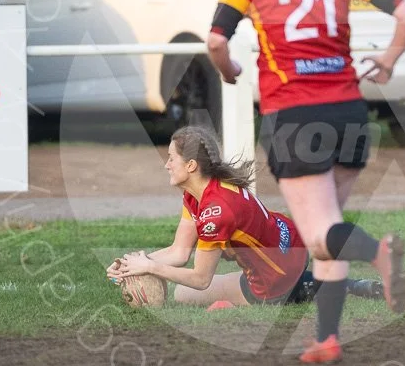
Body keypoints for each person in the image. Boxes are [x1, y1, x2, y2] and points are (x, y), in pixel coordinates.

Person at [204, 0, 405, 364]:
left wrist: (230, 71)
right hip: (347, 109)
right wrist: (387, 60)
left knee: (321, 231)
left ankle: (379, 253)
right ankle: (327, 337)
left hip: (294, 113)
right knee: (328, 230)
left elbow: (217, 41)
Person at [106, 126, 383, 307]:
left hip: (276, 272)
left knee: (184, 294)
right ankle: (349, 286)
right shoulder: (199, 192)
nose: (166, 164)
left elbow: (201, 279)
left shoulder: (215, 211)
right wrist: (134, 263)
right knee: (233, 267)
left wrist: (152, 268)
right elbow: (179, 252)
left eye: (170, 158)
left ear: (190, 165)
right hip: (292, 242)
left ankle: (299, 291)